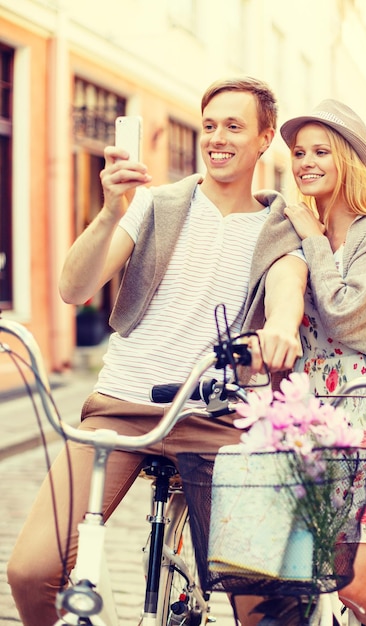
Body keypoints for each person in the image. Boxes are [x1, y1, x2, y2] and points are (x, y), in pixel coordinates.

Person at [7, 76, 307, 626]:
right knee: (30, 571)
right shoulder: (155, 204)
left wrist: (281, 330)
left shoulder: (280, 224)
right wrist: (108, 211)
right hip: (122, 407)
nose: (216, 137)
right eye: (209, 125)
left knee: (265, 607)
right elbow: (74, 289)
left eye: (234, 126)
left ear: (265, 138)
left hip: (217, 417)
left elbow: (287, 293)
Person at [280, 99, 366, 626]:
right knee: (311, 578)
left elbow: (343, 315)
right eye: (297, 152)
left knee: (355, 581)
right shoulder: (294, 234)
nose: (305, 161)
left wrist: (313, 238)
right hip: (312, 427)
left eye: (321, 151)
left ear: (348, 160)